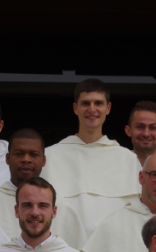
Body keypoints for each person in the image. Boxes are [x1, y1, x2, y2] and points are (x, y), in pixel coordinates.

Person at [43, 79, 141, 235]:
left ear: (108, 108)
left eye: (99, 103)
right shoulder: (49, 157)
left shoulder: (128, 159)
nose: (92, 109)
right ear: (75, 108)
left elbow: (139, 214)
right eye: (86, 103)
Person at [0, 128, 87, 249]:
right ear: (7, 158)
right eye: (19, 153)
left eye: (33, 154)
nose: (26, 159)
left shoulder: (63, 208)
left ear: (44, 160)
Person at [124, 100, 156, 166]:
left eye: (152, 128)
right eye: (140, 127)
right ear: (128, 131)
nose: (146, 134)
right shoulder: (116, 167)